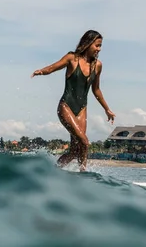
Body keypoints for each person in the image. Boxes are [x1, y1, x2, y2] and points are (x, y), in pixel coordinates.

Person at [31, 30, 115, 172]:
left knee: (76, 150)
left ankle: (55, 171)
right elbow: (53, 67)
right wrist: (41, 71)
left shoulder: (97, 65)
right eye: (97, 45)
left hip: (82, 109)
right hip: (66, 106)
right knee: (85, 141)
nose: (99, 49)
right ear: (87, 44)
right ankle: (83, 172)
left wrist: (107, 109)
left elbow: (96, 90)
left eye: (100, 46)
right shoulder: (72, 58)